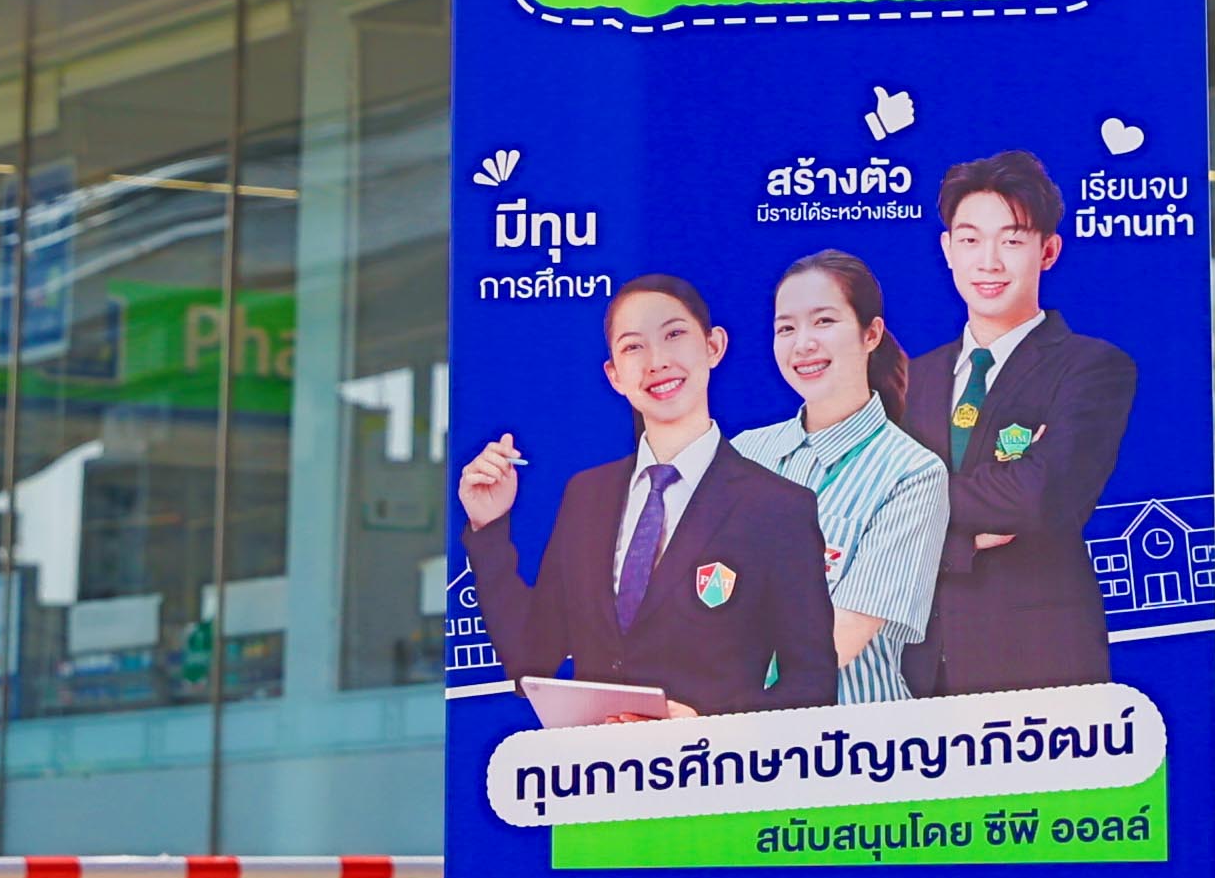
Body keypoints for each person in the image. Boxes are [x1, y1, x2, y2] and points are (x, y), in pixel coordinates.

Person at [459, 270, 845, 714]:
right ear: (614, 375)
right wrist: (488, 528)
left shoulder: (777, 507)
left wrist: (705, 723)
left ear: (713, 346)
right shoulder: (587, 497)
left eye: (674, 334)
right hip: (598, 757)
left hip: (711, 758)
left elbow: (811, 686)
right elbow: (531, 660)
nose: (656, 361)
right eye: (632, 347)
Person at [904, 151, 1136, 696]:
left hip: (1036, 665)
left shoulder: (1091, 367)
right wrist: (963, 543)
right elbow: (866, 523)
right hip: (910, 669)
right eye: (970, 240)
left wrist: (907, 499)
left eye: (1011, 240)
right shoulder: (908, 380)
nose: (988, 262)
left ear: (1048, 251)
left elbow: (1037, 497)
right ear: (948, 250)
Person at [741, 249, 952, 708]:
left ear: (870, 334)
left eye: (823, 322)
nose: (802, 344)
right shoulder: (743, 453)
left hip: (856, 736)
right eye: (786, 328)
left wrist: (712, 694)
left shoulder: (912, 473)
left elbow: (839, 639)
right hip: (736, 736)